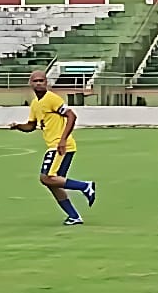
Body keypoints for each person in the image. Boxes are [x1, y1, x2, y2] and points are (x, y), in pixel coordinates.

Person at [9, 70, 97, 225]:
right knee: (53, 182)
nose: (38, 83)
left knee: (46, 178)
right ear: (30, 83)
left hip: (60, 146)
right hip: (55, 145)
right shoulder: (35, 104)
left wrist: (62, 140)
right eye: (35, 81)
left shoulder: (52, 99)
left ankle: (85, 186)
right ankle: (74, 216)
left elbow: (71, 115)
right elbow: (31, 126)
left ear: (46, 82)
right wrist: (18, 126)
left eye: (41, 81)